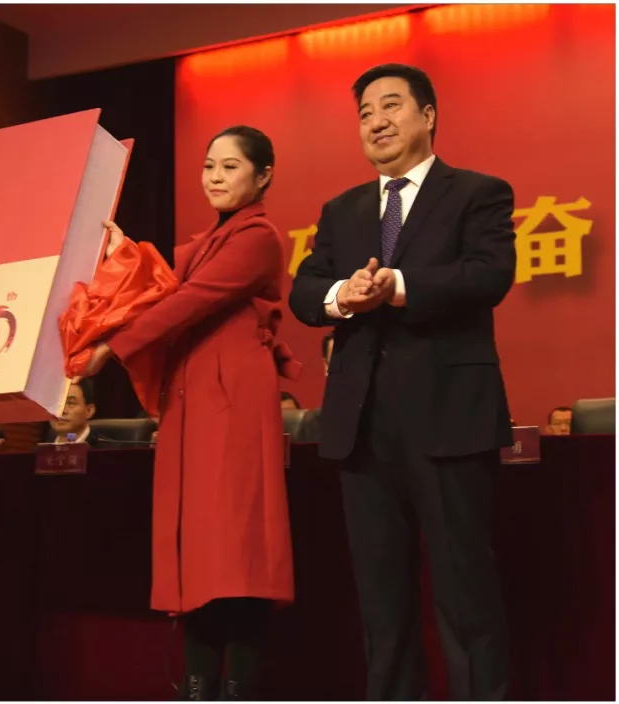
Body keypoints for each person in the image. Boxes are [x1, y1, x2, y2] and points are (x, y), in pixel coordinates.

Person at [289, 63, 514, 700]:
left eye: (391, 106)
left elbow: (489, 274)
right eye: (365, 113)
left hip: (448, 421)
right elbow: (305, 292)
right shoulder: (343, 210)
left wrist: (399, 287)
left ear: (428, 114)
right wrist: (343, 293)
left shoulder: (477, 193)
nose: (376, 122)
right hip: (361, 429)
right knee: (381, 604)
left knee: (465, 595)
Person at [82, 126, 297, 700]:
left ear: (263, 176)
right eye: (209, 166)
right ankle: (199, 686)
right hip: (193, 400)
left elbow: (185, 299)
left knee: (238, 552)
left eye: (230, 166)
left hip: (232, 402)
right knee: (198, 547)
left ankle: (236, 688)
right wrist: (118, 251)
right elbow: (153, 277)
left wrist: (113, 347)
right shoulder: (207, 242)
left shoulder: (258, 238)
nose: (215, 177)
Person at [49, 379, 102, 446]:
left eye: (70, 403)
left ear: (89, 411)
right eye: (55, 403)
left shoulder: (107, 450)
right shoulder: (41, 450)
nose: (61, 411)